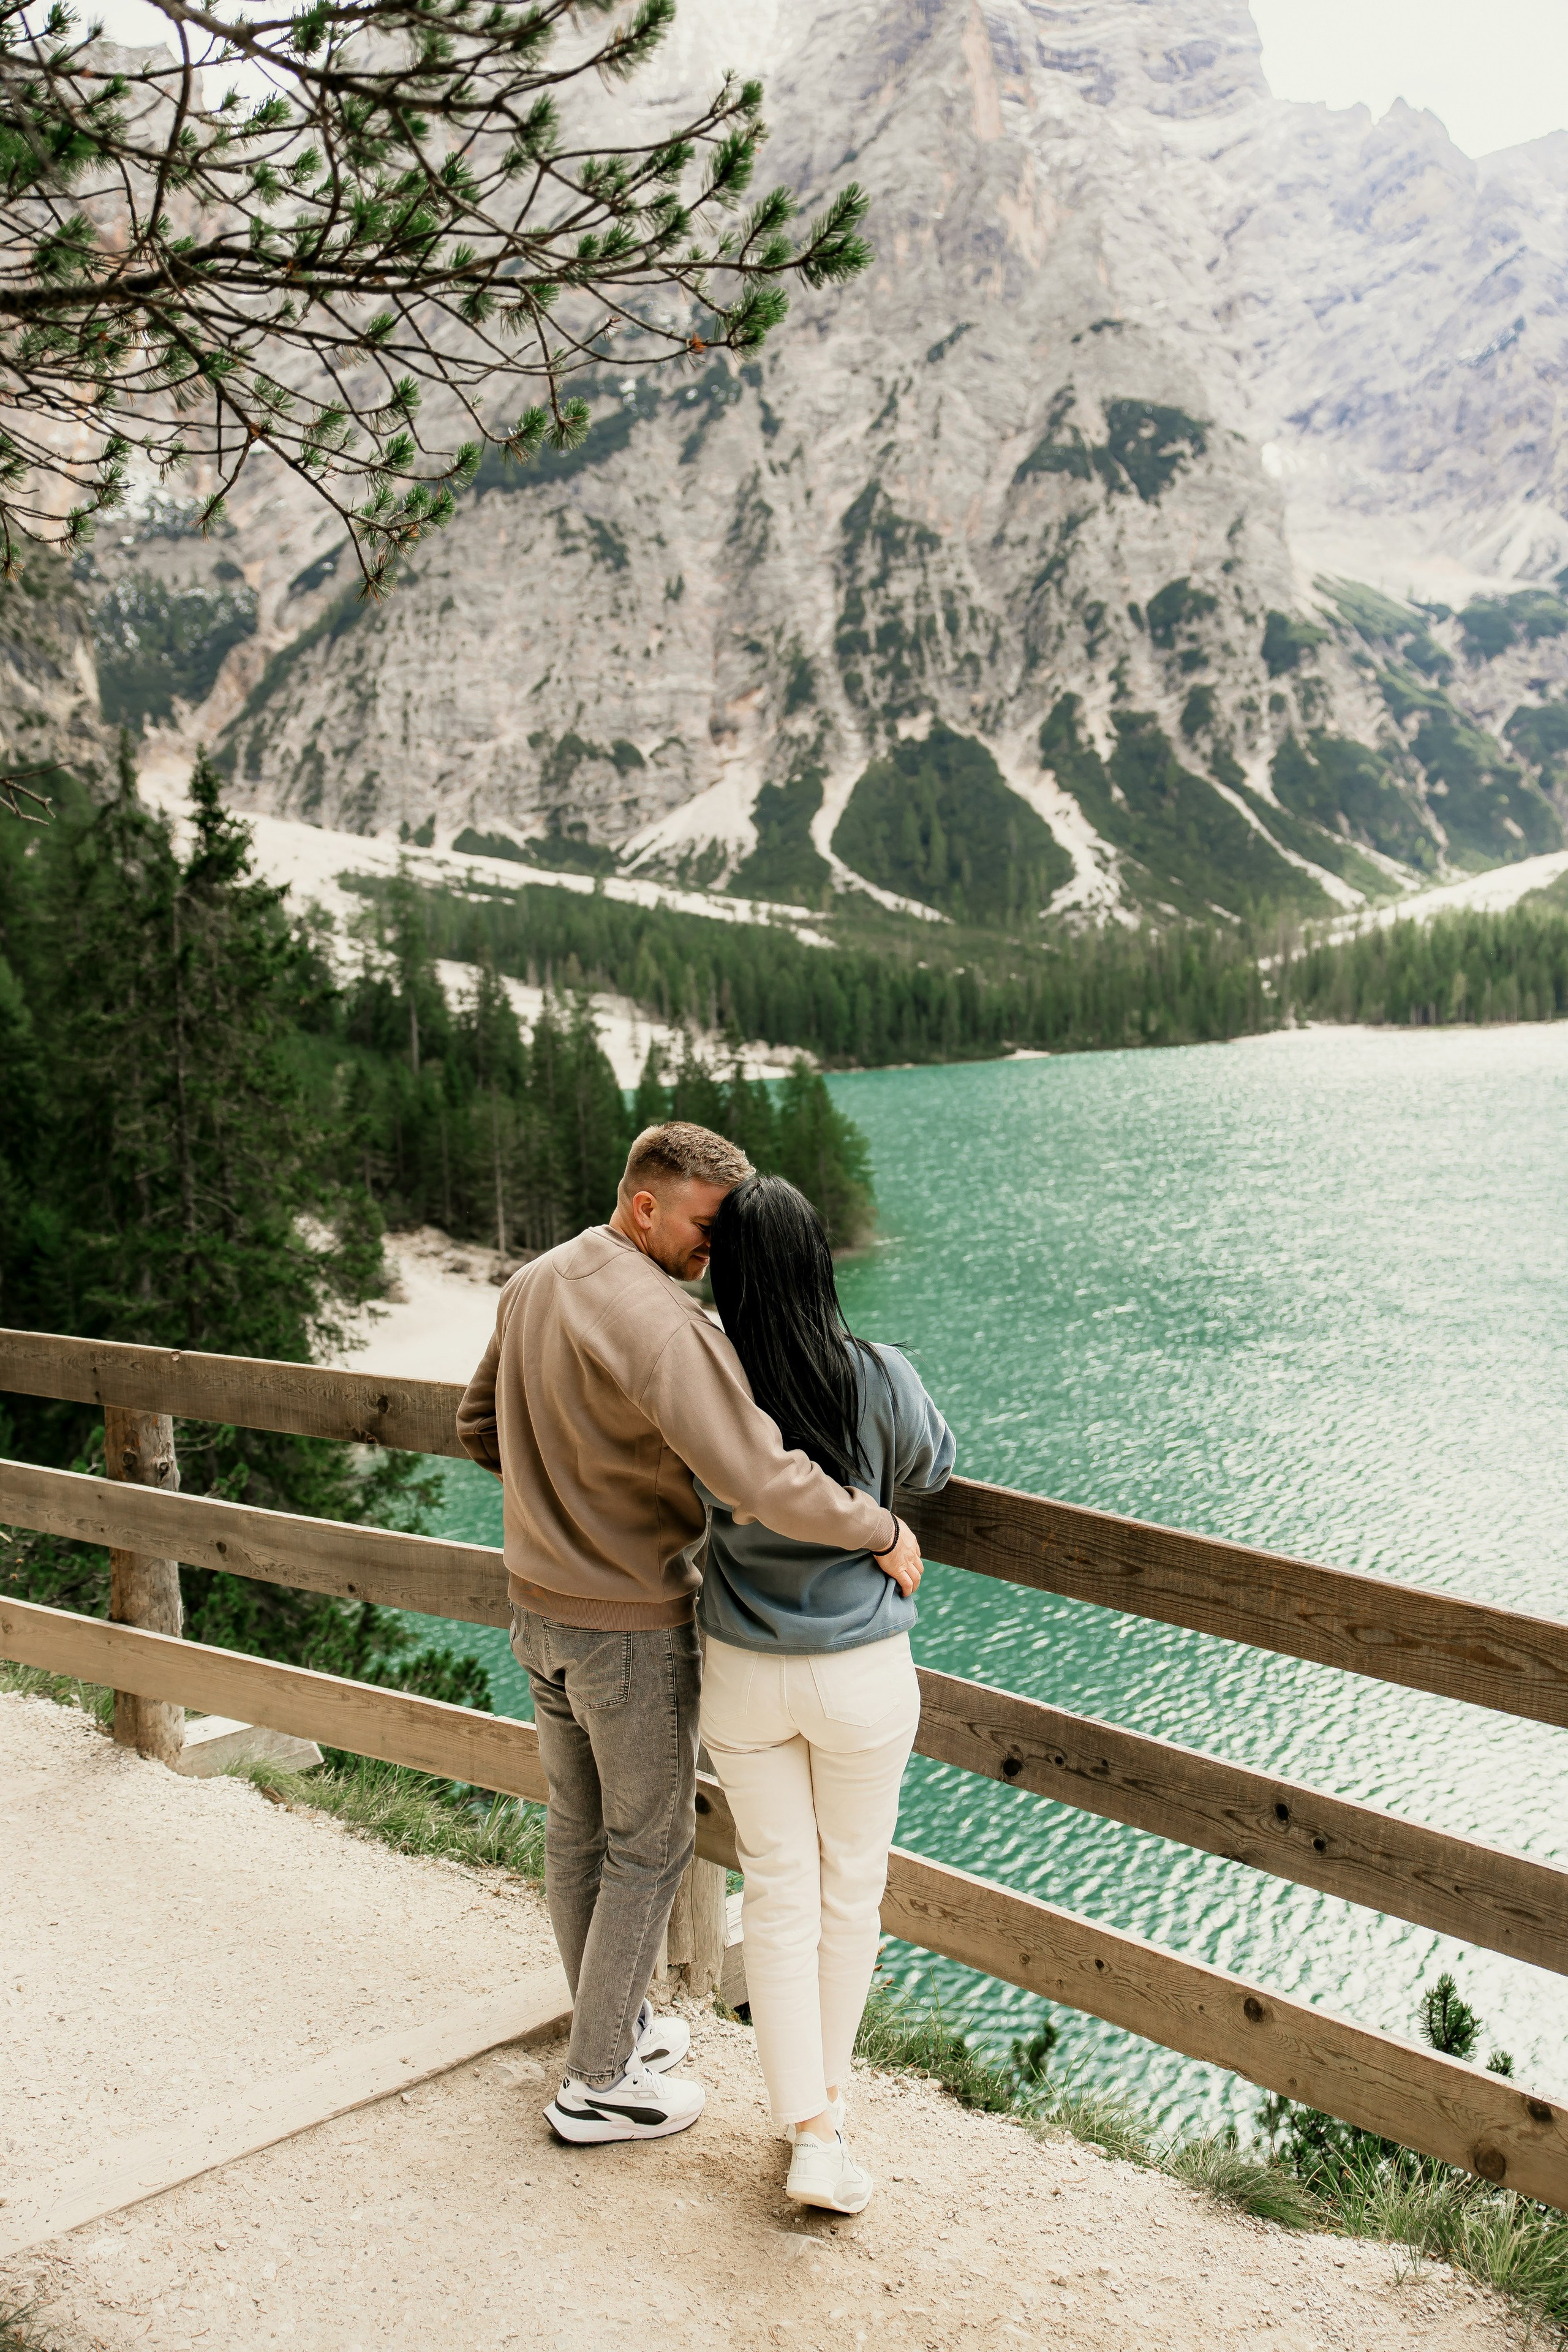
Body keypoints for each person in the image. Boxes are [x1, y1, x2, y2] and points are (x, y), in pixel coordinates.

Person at [456, 1122, 924, 2149]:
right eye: (707, 1228)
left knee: (576, 1833)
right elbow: (761, 1481)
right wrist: (882, 1526)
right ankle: (598, 2081)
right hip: (625, 1623)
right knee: (649, 1847)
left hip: (536, 1611)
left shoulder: (537, 1279)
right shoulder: (664, 1325)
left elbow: (476, 1425)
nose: (715, 1252)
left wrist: (561, 1507)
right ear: (647, 1208)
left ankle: (611, 2025)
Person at [696, 1173, 955, 2215]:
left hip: (745, 1676)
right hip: (860, 1674)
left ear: (728, 1274)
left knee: (775, 1893)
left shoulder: (708, 1391)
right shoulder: (881, 1375)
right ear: (819, 1267)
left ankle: (805, 2124)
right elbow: (937, 1465)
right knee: (852, 1893)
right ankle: (828, 2118)